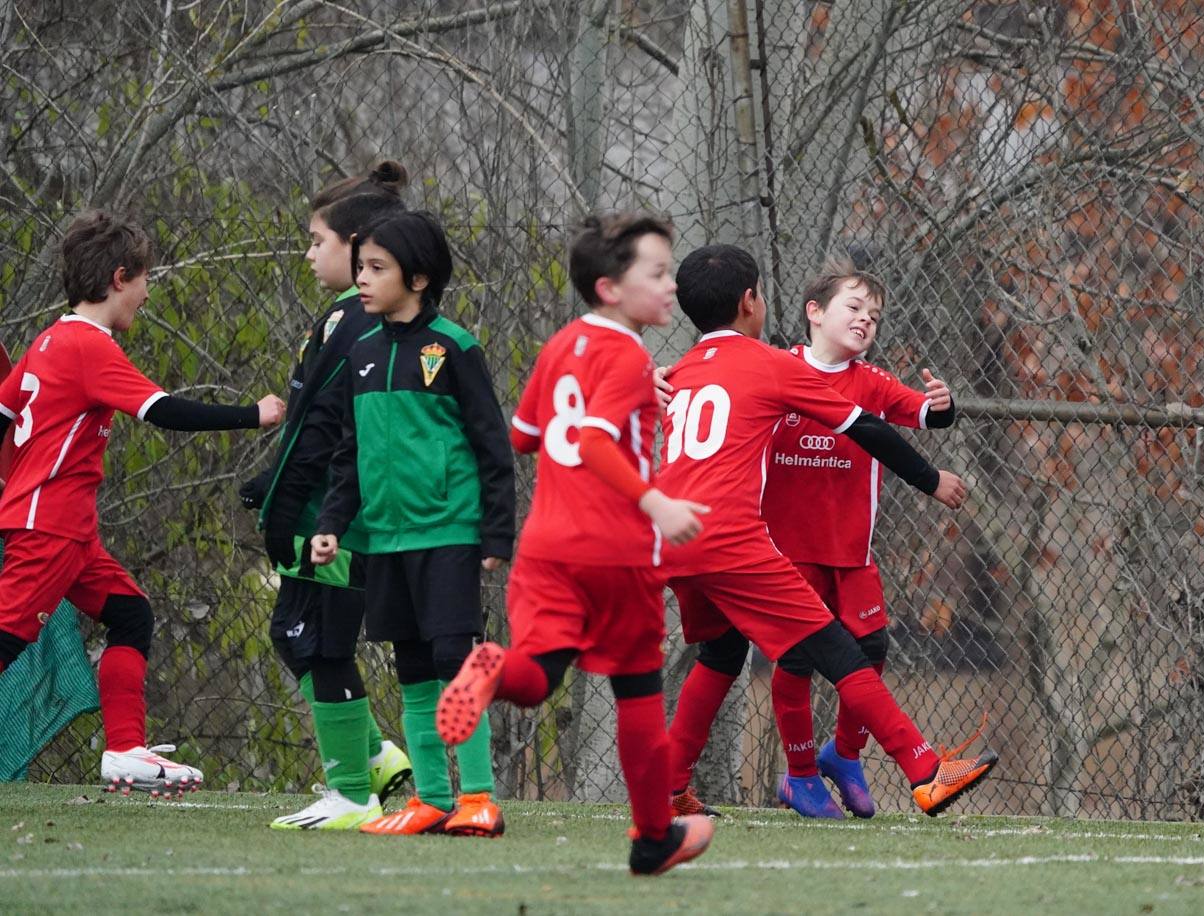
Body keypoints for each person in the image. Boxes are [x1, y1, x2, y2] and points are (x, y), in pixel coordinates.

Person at [655, 244, 996, 820]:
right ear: (749, 301)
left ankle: (668, 787)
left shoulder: (679, 371)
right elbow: (867, 429)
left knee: (720, 652)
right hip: (731, 540)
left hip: (671, 534)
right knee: (839, 652)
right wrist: (930, 479)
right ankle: (927, 771)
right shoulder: (771, 362)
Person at [435, 213, 715, 876]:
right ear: (610, 288)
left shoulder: (563, 344)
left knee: (536, 678)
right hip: (615, 551)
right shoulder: (626, 354)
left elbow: (527, 436)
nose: (671, 286)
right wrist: (656, 502)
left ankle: (493, 669)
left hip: (546, 547)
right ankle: (652, 838)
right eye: (657, 273)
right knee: (639, 690)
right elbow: (590, 441)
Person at [0, 211, 286, 796]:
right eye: (145, 280)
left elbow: (1, 413)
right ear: (119, 277)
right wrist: (251, 415)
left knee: (131, 613)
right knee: (5, 641)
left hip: (71, 532)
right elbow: (164, 411)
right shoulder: (85, 345)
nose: (149, 293)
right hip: (48, 527)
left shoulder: (49, 339)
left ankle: (126, 749)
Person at [310, 210, 515, 837]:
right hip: (387, 538)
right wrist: (334, 521)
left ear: (419, 278)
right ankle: (430, 799)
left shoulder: (454, 347)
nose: (363, 280)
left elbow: (491, 444)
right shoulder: (362, 353)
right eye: (361, 267)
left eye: (377, 268)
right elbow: (352, 451)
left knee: (455, 659)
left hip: (448, 533)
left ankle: (478, 796)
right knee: (413, 668)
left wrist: (496, 533)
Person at [238, 161, 414, 831]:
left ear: (361, 245)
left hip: (335, 516)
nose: (310, 254)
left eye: (318, 241)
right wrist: (270, 482)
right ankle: (370, 759)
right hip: (336, 508)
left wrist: (288, 508)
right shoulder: (347, 319)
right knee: (302, 632)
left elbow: (324, 434)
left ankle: (352, 789)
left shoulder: (355, 323)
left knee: (317, 640)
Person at [760, 261, 957, 819]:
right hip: (785, 554)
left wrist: (941, 405)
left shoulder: (869, 381)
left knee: (870, 650)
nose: (866, 320)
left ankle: (844, 755)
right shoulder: (775, 370)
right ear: (814, 312)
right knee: (795, 663)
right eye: (855, 307)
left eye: (875, 316)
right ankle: (801, 774)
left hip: (850, 549)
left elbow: (922, 415)